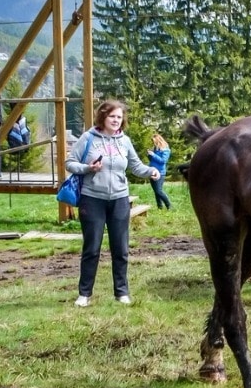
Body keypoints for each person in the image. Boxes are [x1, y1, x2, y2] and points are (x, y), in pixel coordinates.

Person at [66, 100, 160, 307]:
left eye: (119, 117)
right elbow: (70, 163)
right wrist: (88, 168)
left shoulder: (124, 141)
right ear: (103, 117)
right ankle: (84, 294)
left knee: (121, 248)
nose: (116, 120)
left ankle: (121, 292)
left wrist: (151, 171)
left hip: (119, 200)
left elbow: (135, 166)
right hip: (92, 199)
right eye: (112, 117)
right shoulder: (88, 138)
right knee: (92, 248)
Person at [147, 133, 173, 210]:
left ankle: (169, 206)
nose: (153, 143)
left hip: (160, 173)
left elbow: (163, 161)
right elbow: (152, 160)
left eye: (154, 142)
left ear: (158, 141)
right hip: (152, 171)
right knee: (156, 191)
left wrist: (153, 155)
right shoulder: (155, 149)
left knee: (159, 191)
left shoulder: (166, 150)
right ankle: (160, 207)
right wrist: (149, 155)